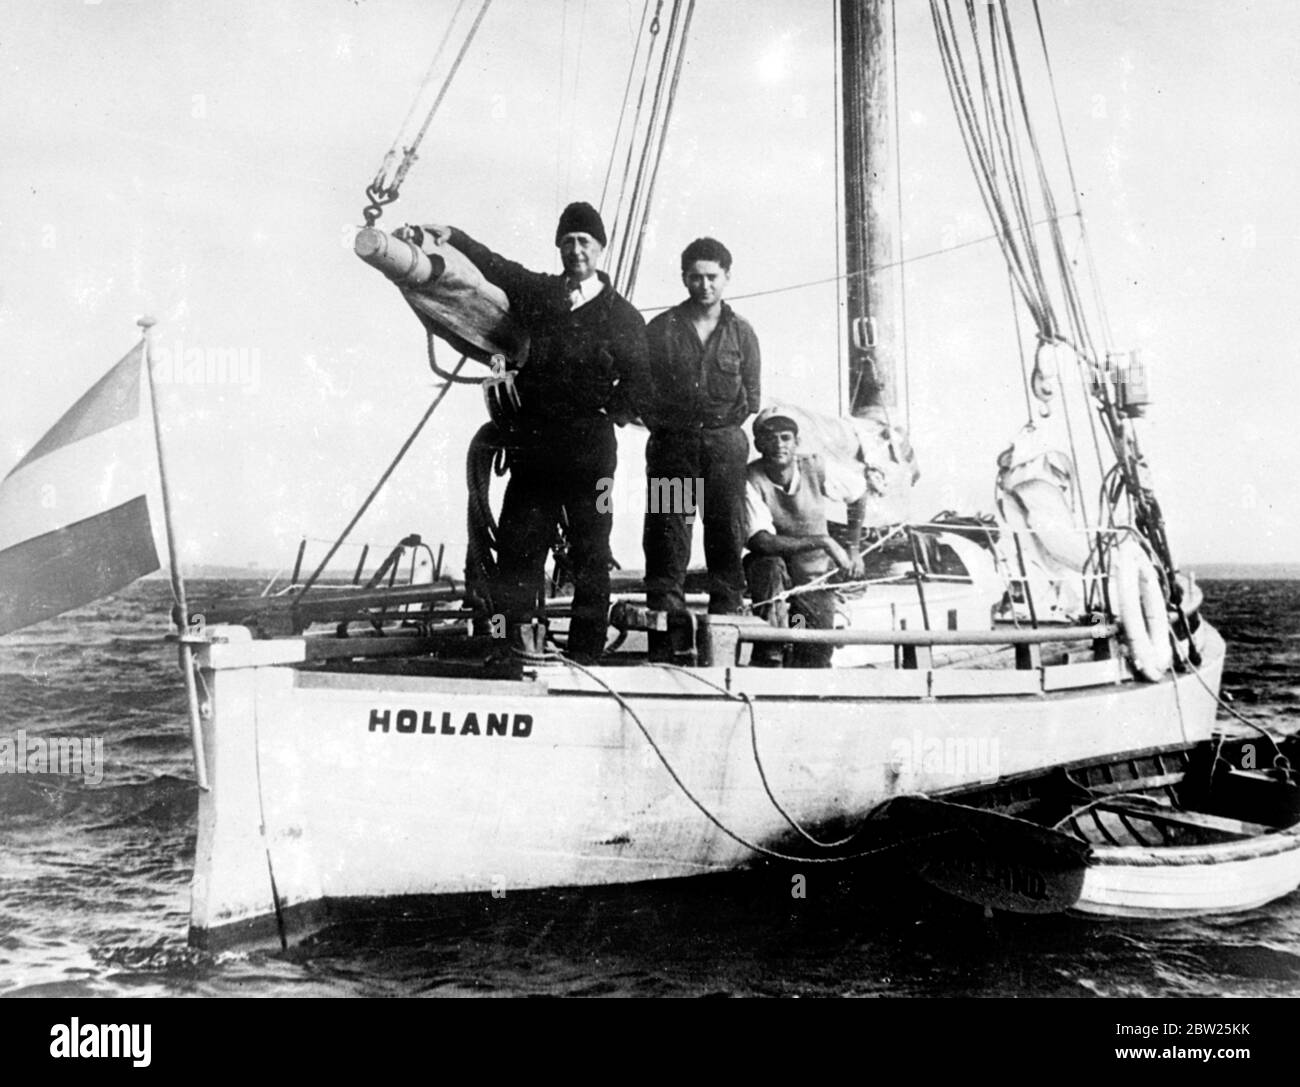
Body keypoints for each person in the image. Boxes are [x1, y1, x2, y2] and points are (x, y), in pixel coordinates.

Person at [401, 203, 650, 662]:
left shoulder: (623, 318)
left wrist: (607, 412)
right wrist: (453, 233)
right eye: (569, 242)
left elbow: (640, 382)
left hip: (592, 454)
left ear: (600, 249)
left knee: (592, 549)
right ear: (559, 247)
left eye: (585, 243)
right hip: (535, 446)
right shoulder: (541, 294)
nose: (576, 251)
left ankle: (587, 652)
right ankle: (512, 643)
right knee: (519, 545)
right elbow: (496, 265)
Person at [642, 237, 761, 660]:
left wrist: (717, 429)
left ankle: (723, 635)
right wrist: (673, 428)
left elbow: (752, 396)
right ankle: (667, 641)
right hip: (673, 448)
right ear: (684, 278)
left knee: (726, 532)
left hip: (725, 447)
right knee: (668, 533)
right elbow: (644, 392)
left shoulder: (742, 332)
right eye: (696, 277)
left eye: (712, 277)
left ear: (727, 278)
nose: (704, 285)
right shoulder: (661, 329)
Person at [744, 407, 866, 667]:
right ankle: (771, 651)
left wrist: (853, 549)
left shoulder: (815, 467)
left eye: (785, 437)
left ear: (796, 442)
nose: (779, 445)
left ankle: (794, 652)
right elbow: (761, 540)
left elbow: (858, 493)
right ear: (758, 444)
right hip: (776, 581)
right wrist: (824, 541)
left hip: (812, 577)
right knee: (765, 564)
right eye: (770, 438)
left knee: (809, 649)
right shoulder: (751, 479)